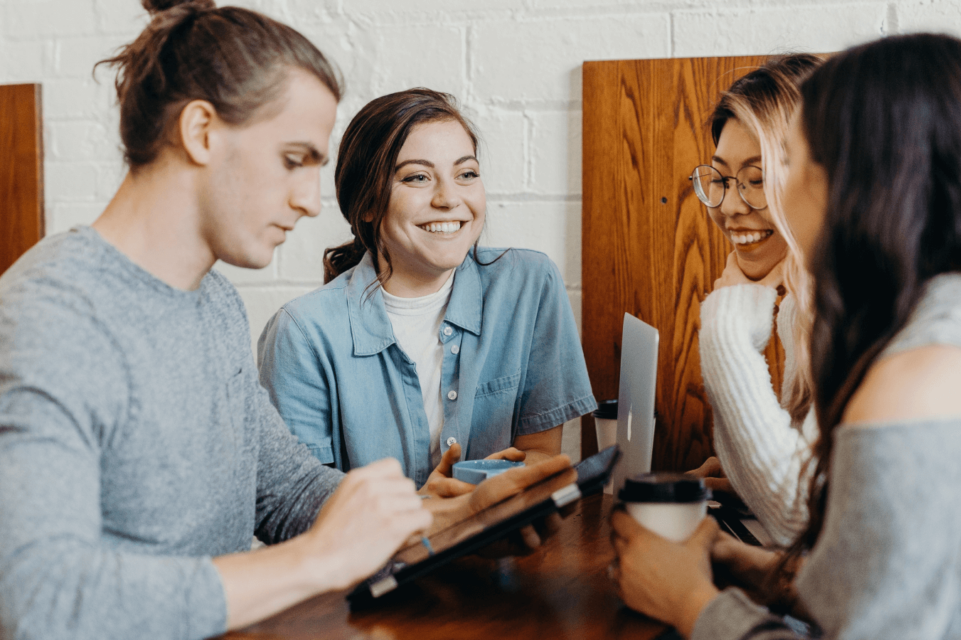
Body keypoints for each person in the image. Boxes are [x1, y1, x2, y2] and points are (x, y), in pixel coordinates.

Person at [0, 2, 569, 639]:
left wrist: (446, 525)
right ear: (202, 132)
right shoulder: (51, 315)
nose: (306, 199)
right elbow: (39, 601)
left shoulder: (211, 302)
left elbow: (286, 492)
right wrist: (316, 560)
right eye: (293, 159)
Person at [612, 33, 961, 639]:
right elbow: (891, 587)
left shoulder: (921, 376)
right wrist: (747, 568)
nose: (749, 200)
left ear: (859, 178)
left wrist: (691, 603)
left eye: (794, 159)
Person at [257, 88, 597, 493]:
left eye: (466, 174)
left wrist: (493, 492)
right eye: (417, 177)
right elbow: (300, 506)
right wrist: (431, 513)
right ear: (366, 203)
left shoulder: (529, 285)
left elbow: (541, 454)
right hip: (378, 556)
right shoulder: (301, 333)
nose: (449, 198)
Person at [689, 54, 823, 546]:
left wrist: (725, 324)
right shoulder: (801, 306)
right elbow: (813, 496)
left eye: (758, 177)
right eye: (721, 178)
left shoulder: (857, 310)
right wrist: (747, 476)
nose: (728, 206)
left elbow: (798, 518)